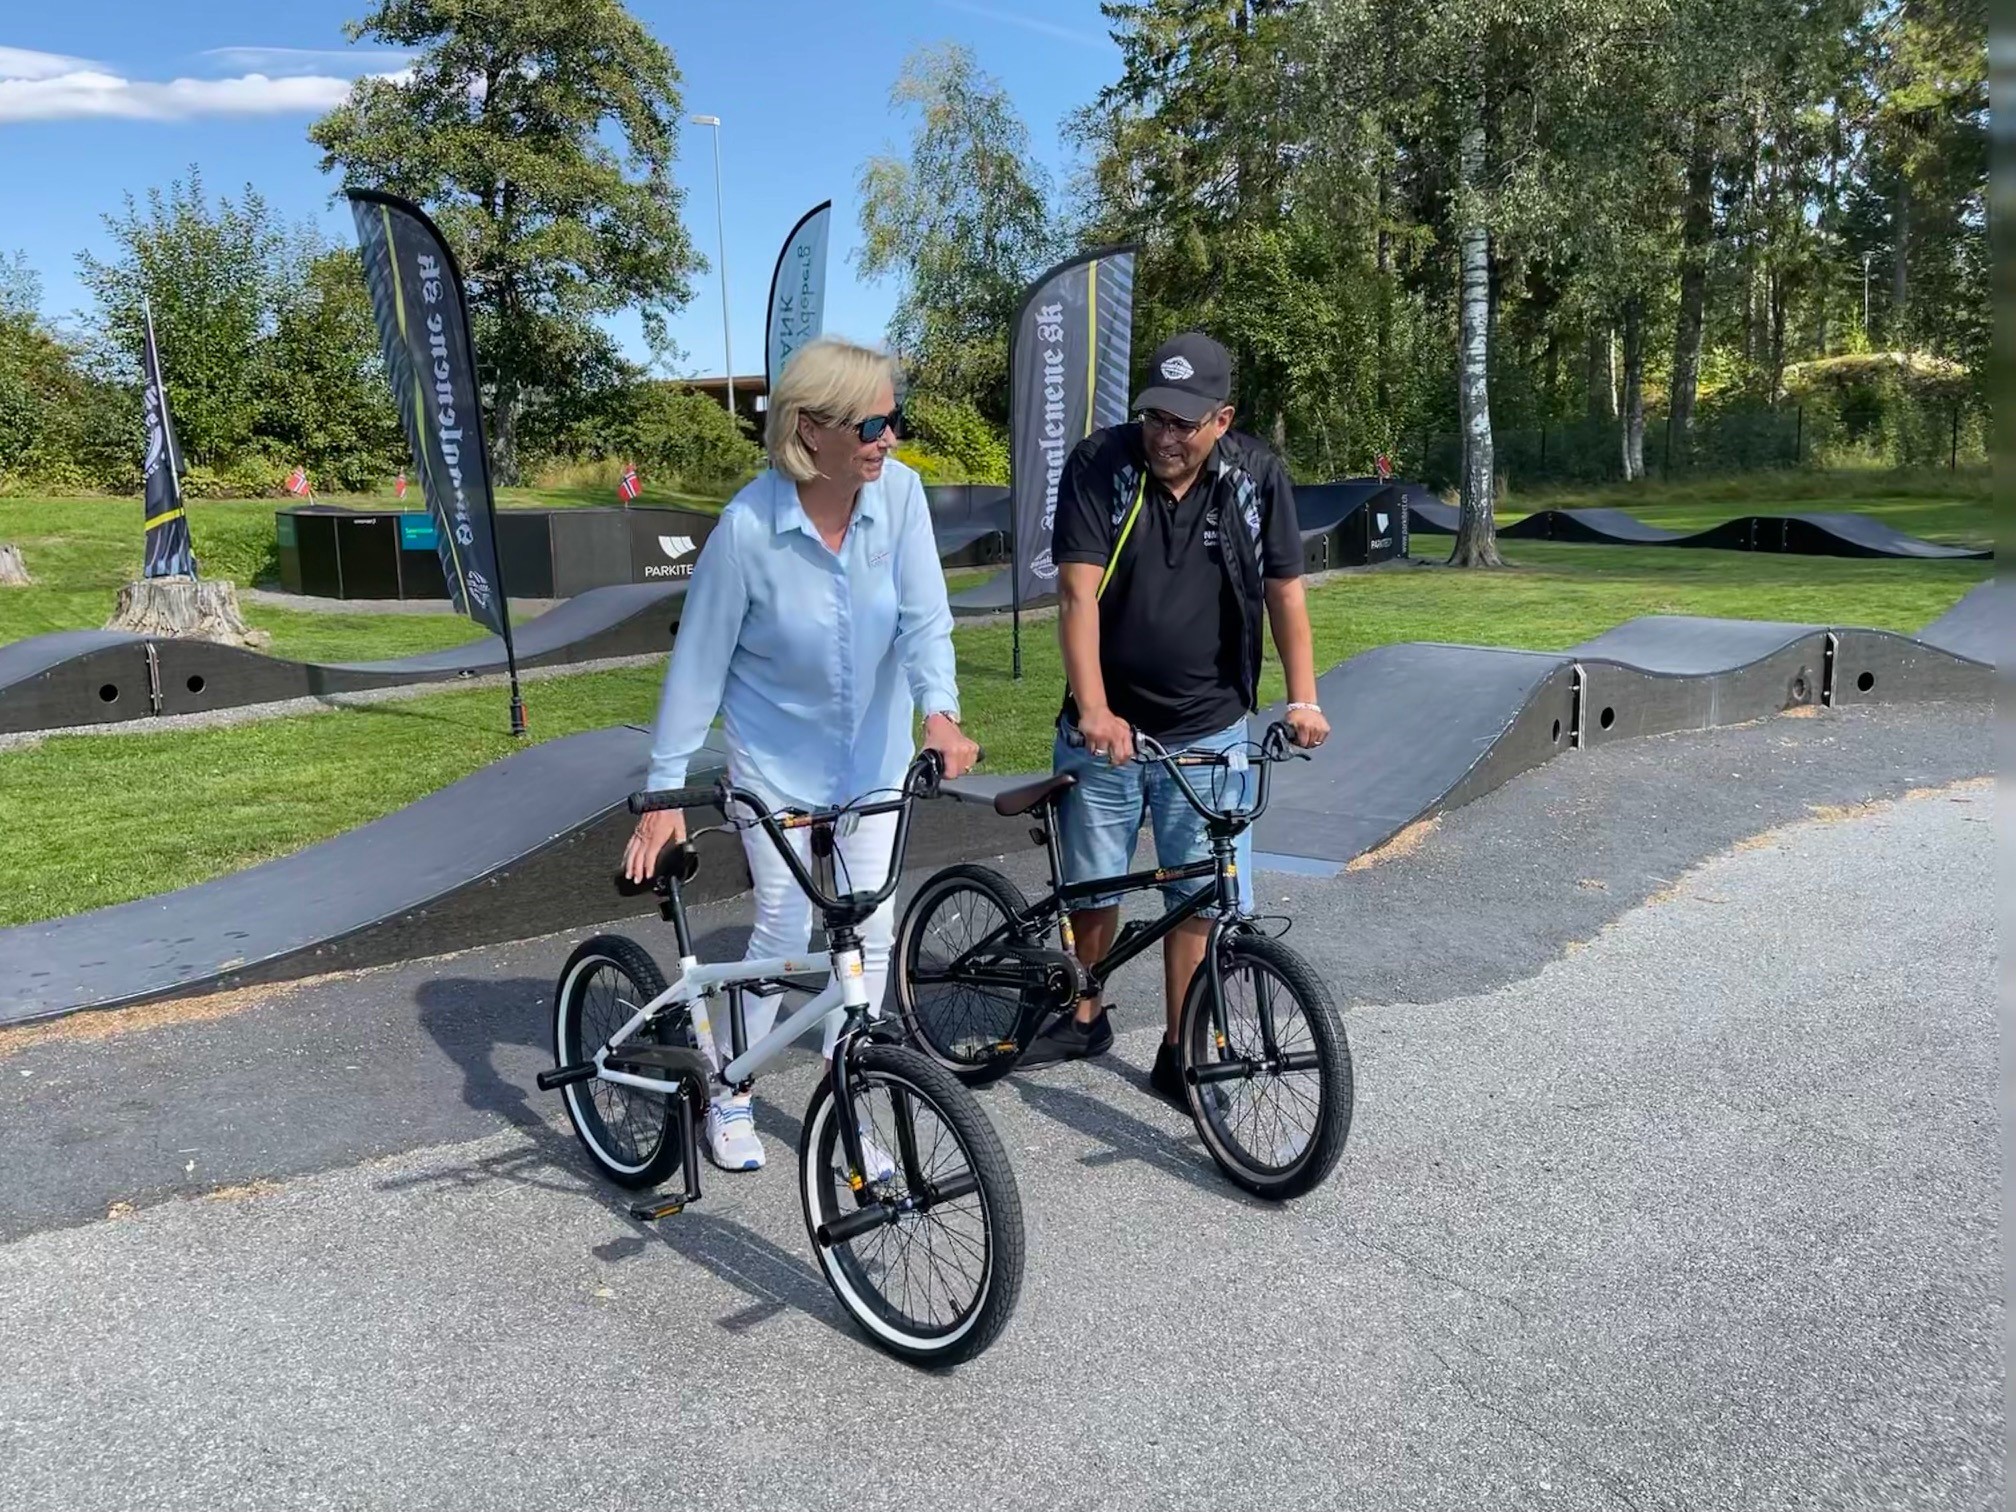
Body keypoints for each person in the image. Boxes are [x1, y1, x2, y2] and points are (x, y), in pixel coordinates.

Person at [623, 336, 979, 1171]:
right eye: (874, 423)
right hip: (776, 757)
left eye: (897, 417)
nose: (890, 437)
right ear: (812, 428)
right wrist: (665, 790)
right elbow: (699, 665)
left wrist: (942, 711)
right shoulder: (748, 528)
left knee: (871, 933)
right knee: (784, 927)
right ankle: (732, 1090)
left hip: (872, 757)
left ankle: (854, 1090)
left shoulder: (902, 499)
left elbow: (925, 619)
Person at [1027, 331, 1329, 1096]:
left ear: (1222, 421)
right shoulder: (1102, 463)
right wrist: (1093, 708)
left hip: (1211, 723)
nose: (1164, 435)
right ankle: (1084, 1009)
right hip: (1110, 727)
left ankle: (1181, 1050)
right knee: (1093, 886)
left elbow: (1285, 590)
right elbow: (1075, 593)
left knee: (1198, 894)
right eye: (1155, 416)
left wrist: (1303, 698)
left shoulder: (1255, 477)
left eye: (1184, 423)